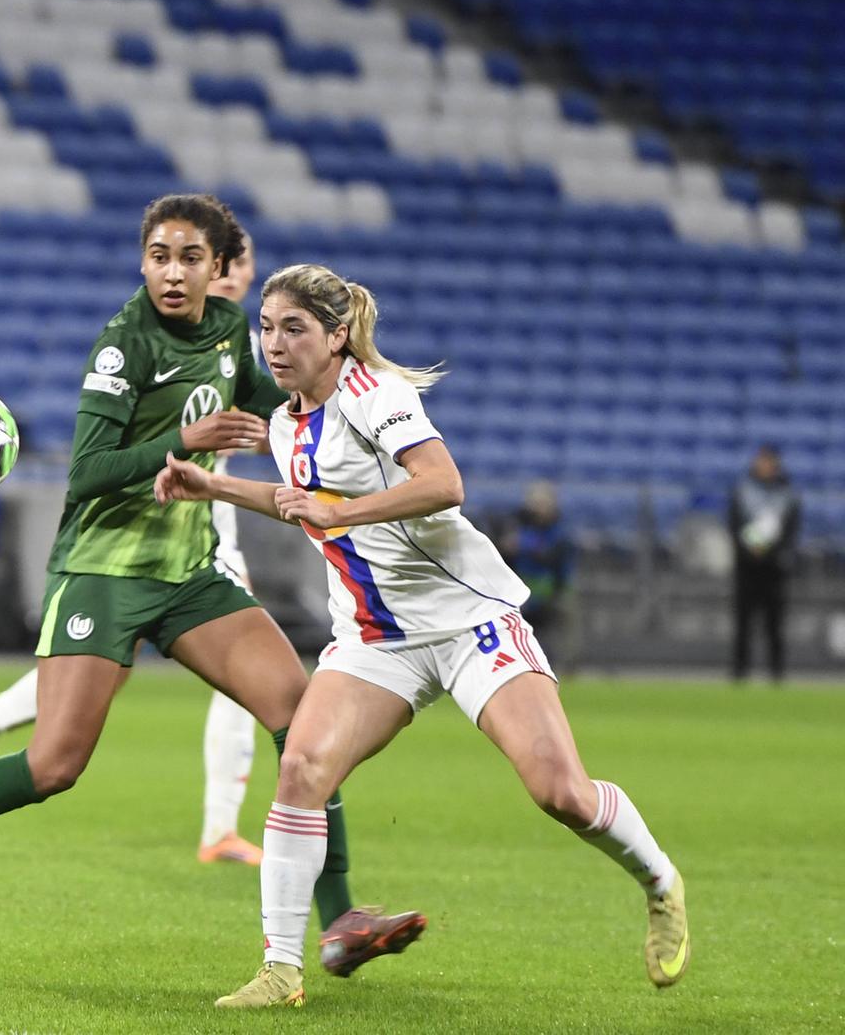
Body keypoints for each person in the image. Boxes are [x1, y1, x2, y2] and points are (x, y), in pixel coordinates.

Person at [0, 196, 422, 976]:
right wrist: (184, 439)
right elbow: (86, 474)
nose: (172, 272)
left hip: (188, 574)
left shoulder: (226, 332)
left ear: (220, 270)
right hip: (104, 573)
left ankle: (341, 918)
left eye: (189, 257)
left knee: (300, 716)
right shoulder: (125, 345)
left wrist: (355, 410)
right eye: (159, 256)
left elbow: (265, 405)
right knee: (54, 766)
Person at [153, 264, 688, 1008]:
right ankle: (280, 969)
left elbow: (443, 483)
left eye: (294, 329)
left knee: (559, 792)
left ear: (337, 335)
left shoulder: (375, 395)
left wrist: (343, 511)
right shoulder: (283, 422)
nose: (274, 345)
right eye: (266, 329)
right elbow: (302, 503)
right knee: (303, 769)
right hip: (376, 639)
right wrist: (218, 486)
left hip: (471, 624)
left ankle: (659, 881)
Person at [0, 243, 268, 866]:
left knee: (229, 678)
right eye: (231, 261)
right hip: (130, 531)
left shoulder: (240, 341)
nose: (236, 272)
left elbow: (256, 422)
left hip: (204, 526)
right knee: (104, 677)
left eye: (239, 263)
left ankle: (220, 827)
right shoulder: (147, 338)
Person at [729, 444, 798, 683]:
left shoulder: (787, 494)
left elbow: (791, 530)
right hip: (747, 567)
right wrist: (752, 550)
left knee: (774, 625)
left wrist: (774, 553)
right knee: (743, 624)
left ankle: (776, 674)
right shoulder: (744, 491)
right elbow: (735, 525)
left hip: (774, 569)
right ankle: (740, 674)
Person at [494, 480, 574, 667]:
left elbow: (552, 554)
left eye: (543, 503)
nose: (538, 508)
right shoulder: (518, 522)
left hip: (554, 588)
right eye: (535, 503)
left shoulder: (559, 527)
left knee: (565, 623)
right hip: (523, 588)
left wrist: (522, 544)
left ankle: (566, 666)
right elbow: (503, 549)